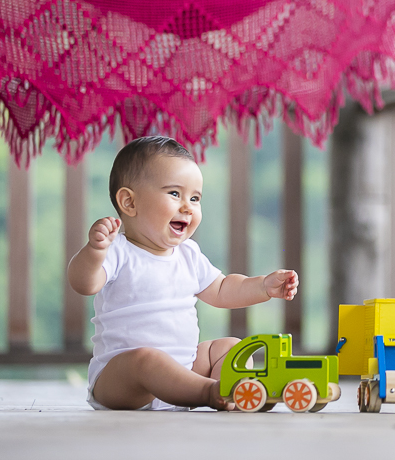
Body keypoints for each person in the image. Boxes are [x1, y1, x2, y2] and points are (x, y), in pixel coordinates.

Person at [67, 135, 298, 411]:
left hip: (184, 367)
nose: (187, 206)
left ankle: (235, 392)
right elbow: (84, 283)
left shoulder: (189, 254)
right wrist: (94, 250)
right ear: (129, 203)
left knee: (231, 347)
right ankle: (210, 392)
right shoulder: (119, 251)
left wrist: (263, 286)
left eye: (195, 198)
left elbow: (223, 289)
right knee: (147, 360)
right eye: (175, 194)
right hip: (123, 380)